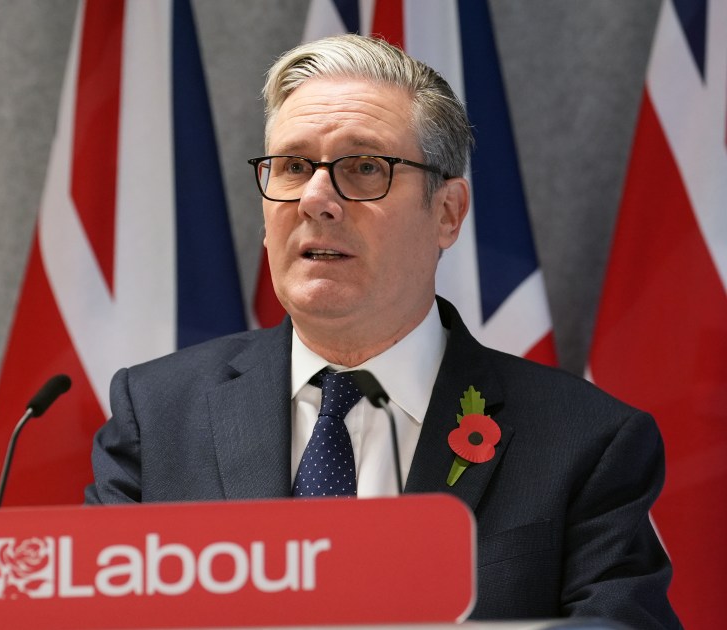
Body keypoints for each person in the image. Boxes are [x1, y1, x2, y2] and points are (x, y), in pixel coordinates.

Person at [85, 34, 680, 628]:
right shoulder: (156, 416)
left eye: (365, 167)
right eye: (292, 167)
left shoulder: (588, 440)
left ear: (447, 213)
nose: (317, 199)